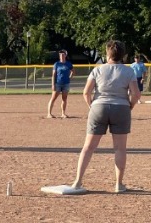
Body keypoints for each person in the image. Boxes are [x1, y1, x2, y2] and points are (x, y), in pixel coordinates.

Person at [71, 40, 140, 193]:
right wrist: (130, 106)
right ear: (123, 55)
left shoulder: (98, 70)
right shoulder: (129, 71)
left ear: (107, 54)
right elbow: (136, 94)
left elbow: (86, 92)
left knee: (88, 147)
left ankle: (77, 182)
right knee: (120, 148)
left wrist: (92, 106)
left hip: (98, 107)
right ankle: (118, 184)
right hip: (121, 107)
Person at [47, 50, 75, 118]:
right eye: (60, 55)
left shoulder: (68, 64)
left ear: (65, 55)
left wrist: (70, 76)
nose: (61, 56)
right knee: (53, 98)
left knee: (64, 99)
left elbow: (73, 71)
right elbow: (53, 75)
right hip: (58, 83)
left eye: (63, 54)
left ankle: (63, 113)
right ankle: (49, 114)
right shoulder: (57, 64)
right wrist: (53, 84)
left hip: (66, 83)